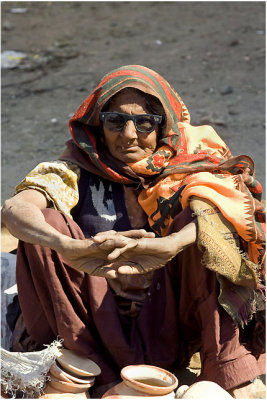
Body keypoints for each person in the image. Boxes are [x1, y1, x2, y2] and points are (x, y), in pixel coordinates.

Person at [2, 65, 265, 398]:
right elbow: (15, 209)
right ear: (99, 125)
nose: (128, 135)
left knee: (211, 224)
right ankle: (97, 378)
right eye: (115, 121)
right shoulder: (75, 169)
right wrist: (65, 244)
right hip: (89, 327)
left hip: (167, 320)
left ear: (162, 127)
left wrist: (173, 243)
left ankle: (224, 375)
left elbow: (236, 212)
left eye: (144, 123)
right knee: (46, 224)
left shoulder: (190, 166)